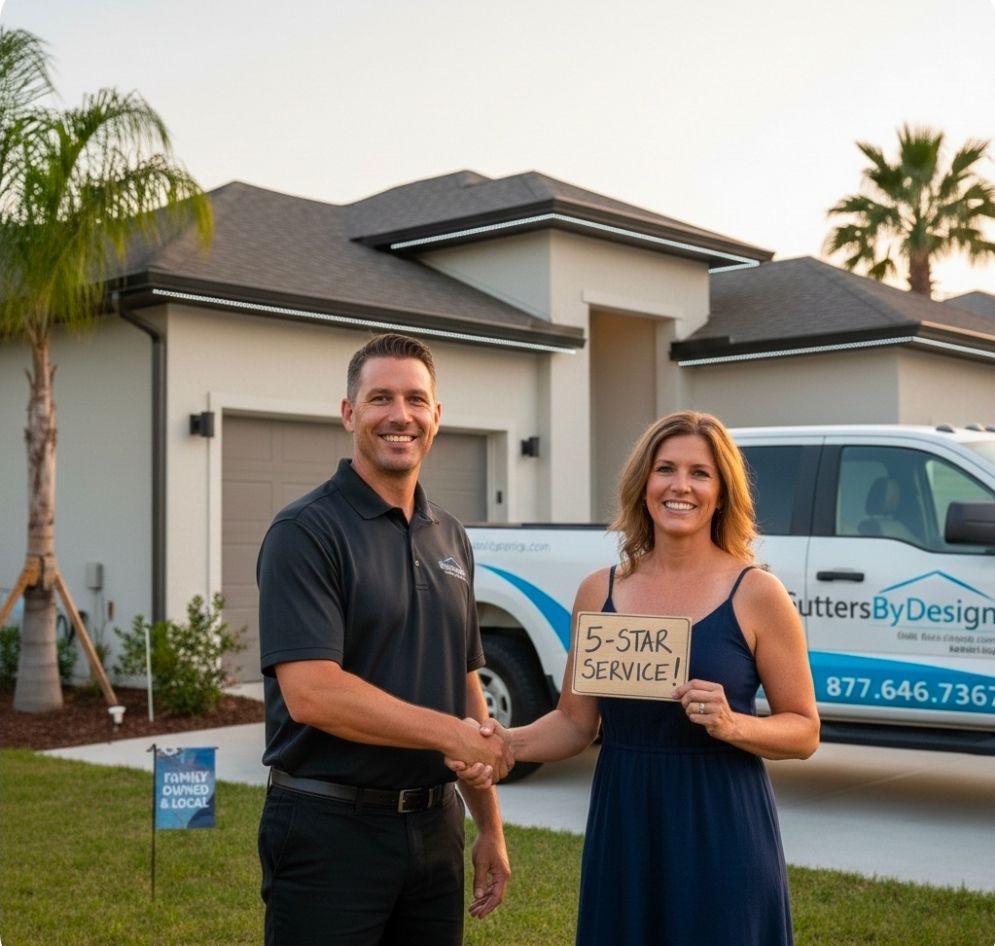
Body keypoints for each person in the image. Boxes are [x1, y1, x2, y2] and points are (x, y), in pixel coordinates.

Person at [454, 410, 819, 945]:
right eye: (665, 468)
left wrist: (734, 725)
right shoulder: (597, 591)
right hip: (624, 820)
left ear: (722, 492)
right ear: (643, 483)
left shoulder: (758, 593)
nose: (680, 486)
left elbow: (805, 730)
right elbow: (575, 724)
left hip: (721, 821)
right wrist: (505, 742)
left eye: (700, 473)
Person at [256, 332, 512, 946]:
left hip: (435, 825)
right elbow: (313, 694)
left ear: (437, 416)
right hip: (329, 828)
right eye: (380, 399)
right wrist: (450, 735)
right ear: (349, 413)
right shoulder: (306, 531)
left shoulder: (449, 535)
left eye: (416, 400)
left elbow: (464, 678)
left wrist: (489, 827)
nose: (401, 416)